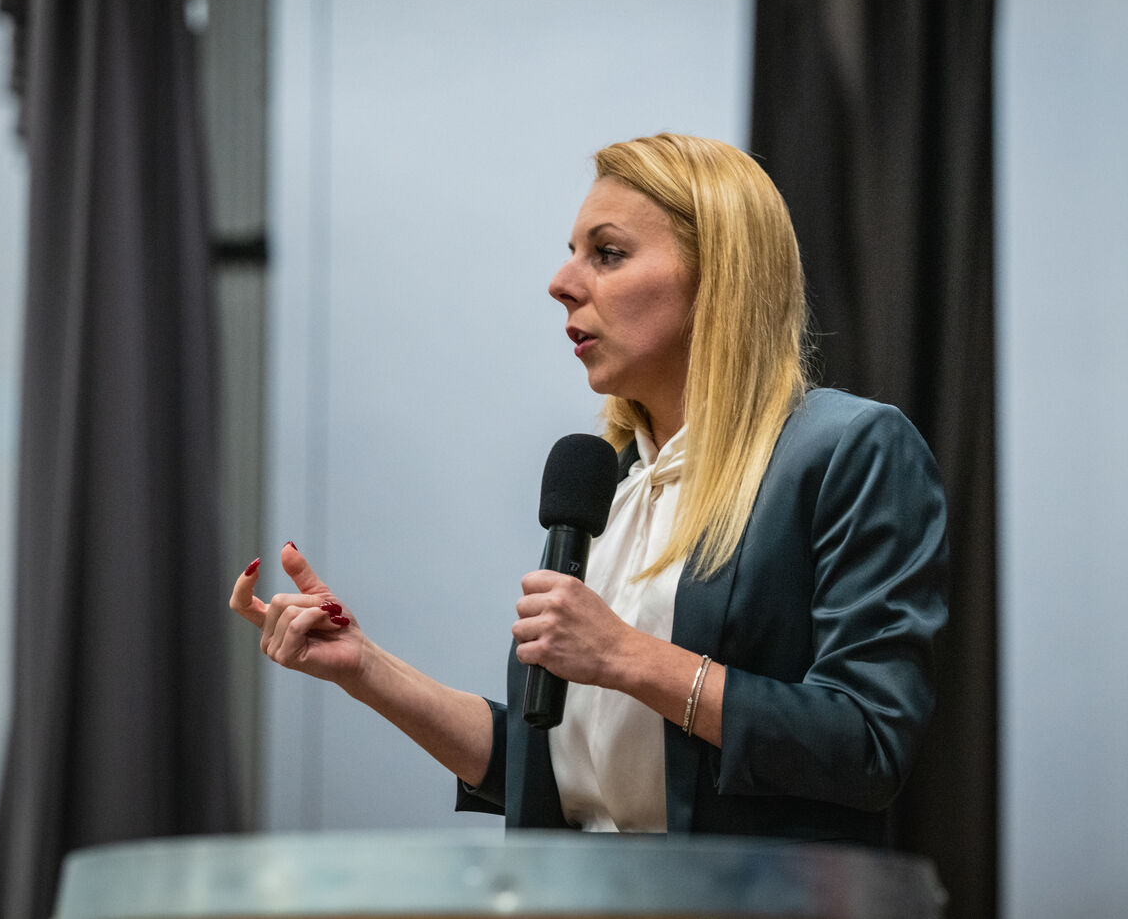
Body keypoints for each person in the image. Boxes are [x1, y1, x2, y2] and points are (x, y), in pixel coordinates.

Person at [229, 133, 948, 844]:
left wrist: (627, 657)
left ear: (718, 275)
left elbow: (867, 742)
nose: (561, 283)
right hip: (581, 892)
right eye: (573, 253)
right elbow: (551, 777)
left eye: (606, 253)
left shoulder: (845, 450)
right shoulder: (609, 483)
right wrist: (366, 668)